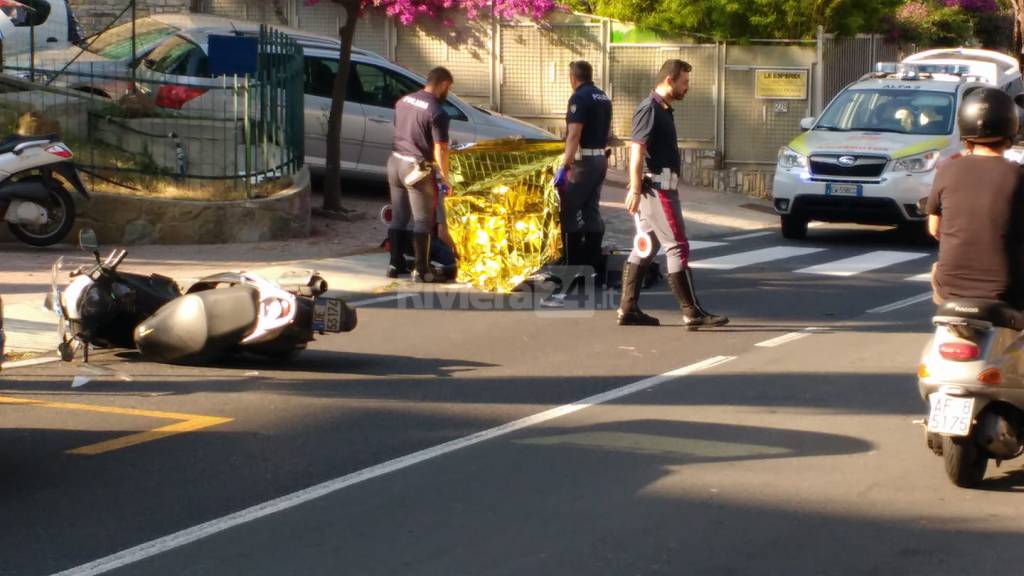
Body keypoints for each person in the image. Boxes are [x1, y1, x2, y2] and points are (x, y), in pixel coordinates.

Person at [618, 59, 728, 329]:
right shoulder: (650, 109)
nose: (687, 87)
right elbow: (636, 151)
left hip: (657, 189)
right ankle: (692, 313)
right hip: (658, 191)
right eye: (684, 82)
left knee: (647, 247)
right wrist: (633, 188)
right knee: (677, 246)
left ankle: (628, 308)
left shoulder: (662, 109)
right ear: (670, 79)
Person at [926, 86, 1024, 307]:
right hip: (1008, 292)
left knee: (936, 270)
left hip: (950, 289)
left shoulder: (947, 170)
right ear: (1011, 129)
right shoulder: (1018, 176)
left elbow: (935, 229)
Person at [386, 66, 454, 283]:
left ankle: (395, 264)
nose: (447, 93)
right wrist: (444, 177)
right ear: (443, 84)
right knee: (423, 220)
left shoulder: (403, 101)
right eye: (448, 88)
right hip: (416, 168)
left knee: (399, 217)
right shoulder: (437, 112)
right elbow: (440, 149)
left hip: (395, 162)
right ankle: (422, 269)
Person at [554, 60, 612, 278]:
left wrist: (564, 165)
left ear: (573, 77)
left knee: (569, 209)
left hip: (584, 163)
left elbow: (574, 133)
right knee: (591, 210)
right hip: (600, 160)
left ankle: (571, 264)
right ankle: (594, 263)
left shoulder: (578, 97)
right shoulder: (602, 96)